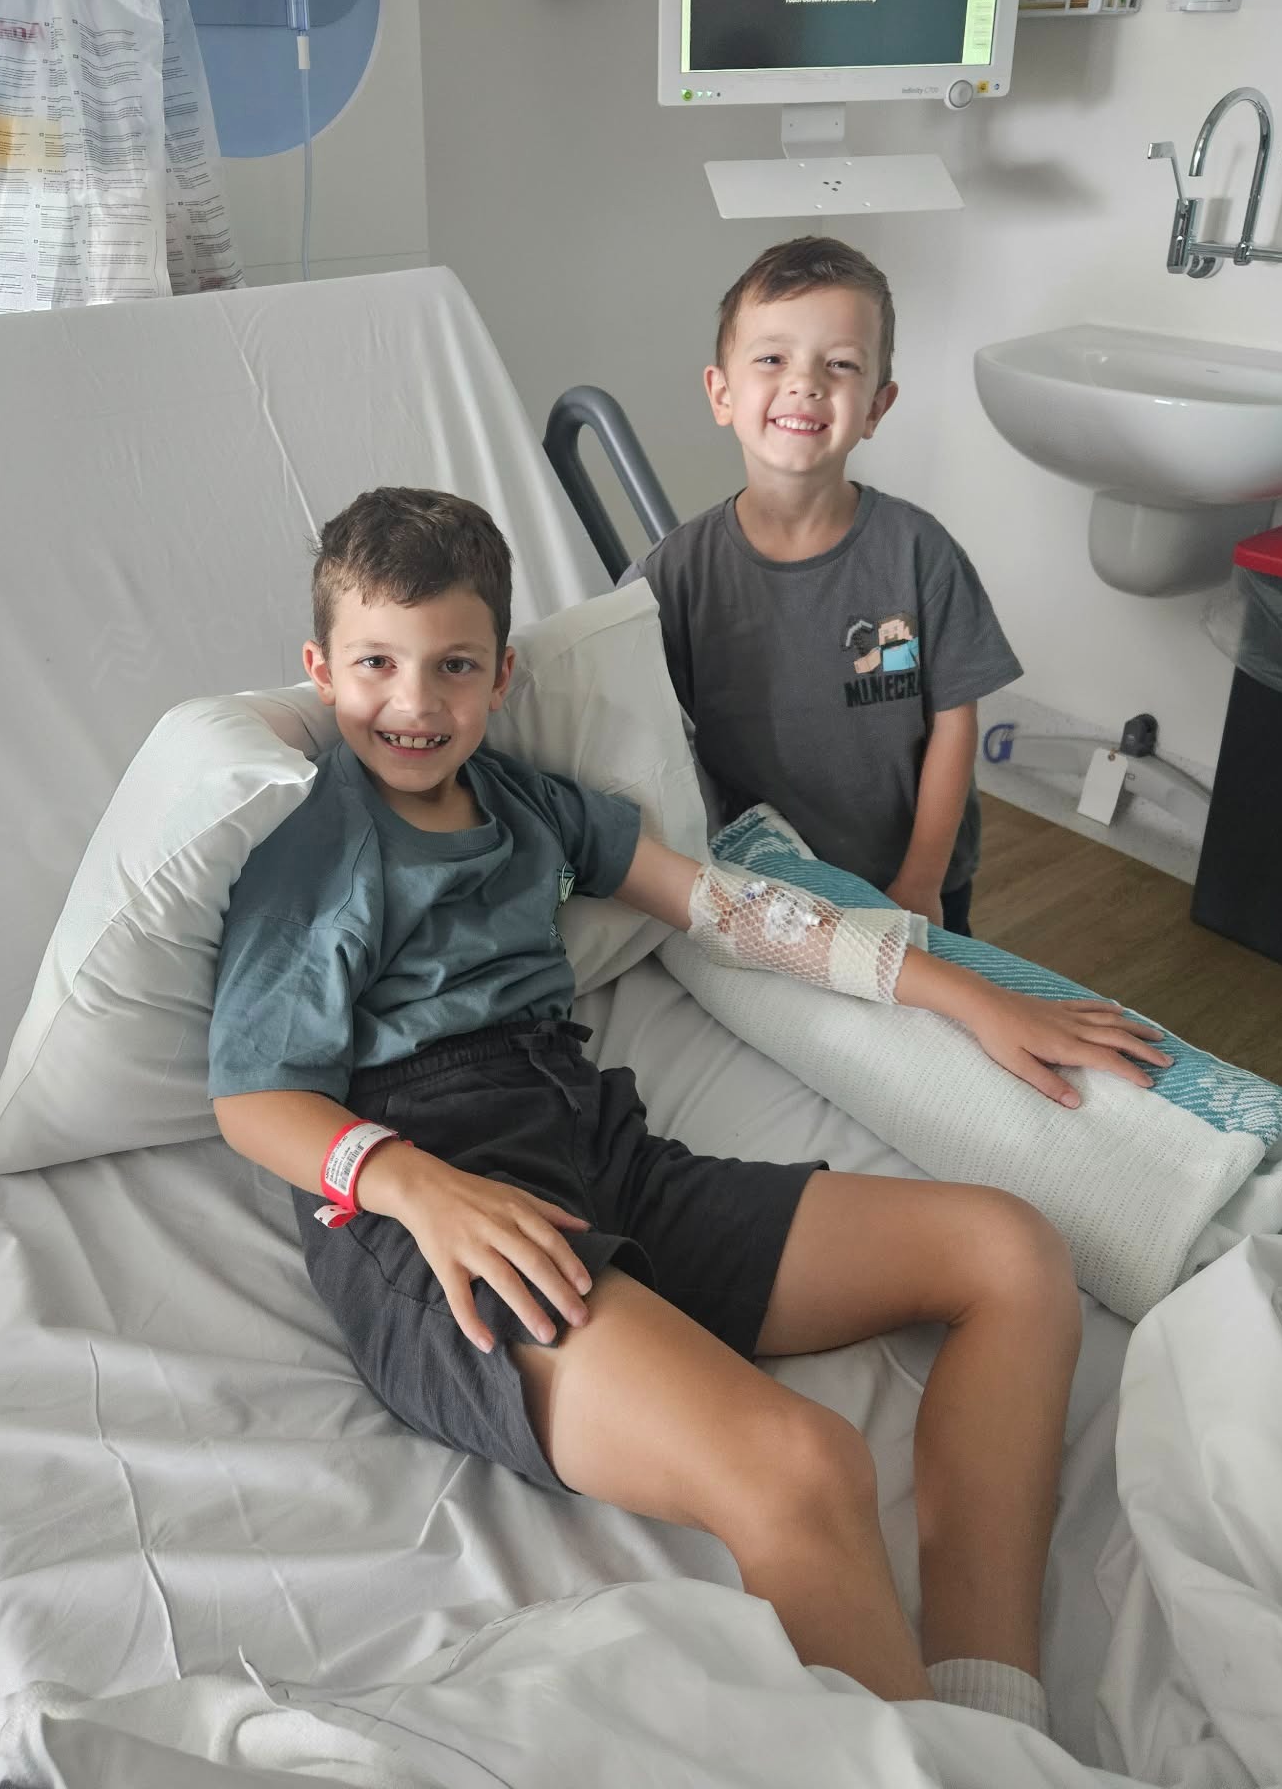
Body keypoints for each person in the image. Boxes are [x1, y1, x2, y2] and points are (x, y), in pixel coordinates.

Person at [209, 487, 1169, 1729]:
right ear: (320, 669)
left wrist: (969, 995)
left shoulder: (528, 805)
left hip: (598, 1149)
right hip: (440, 1214)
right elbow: (252, 1096)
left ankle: (994, 1724)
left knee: (1013, 1253)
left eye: (453, 665)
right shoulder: (319, 852)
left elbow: (728, 909)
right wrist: (420, 1189)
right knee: (804, 1466)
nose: (415, 701)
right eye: (377, 664)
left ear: (502, 675)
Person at [635, 236, 1020, 936]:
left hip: (910, 881)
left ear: (876, 406)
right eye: (772, 359)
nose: (806, 383)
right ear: (722, 393)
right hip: (763, 893)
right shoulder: (675, 576)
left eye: (841, 364)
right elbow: (628, 729)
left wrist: (921, 881)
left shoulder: (919, 553)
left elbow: (954, 723)